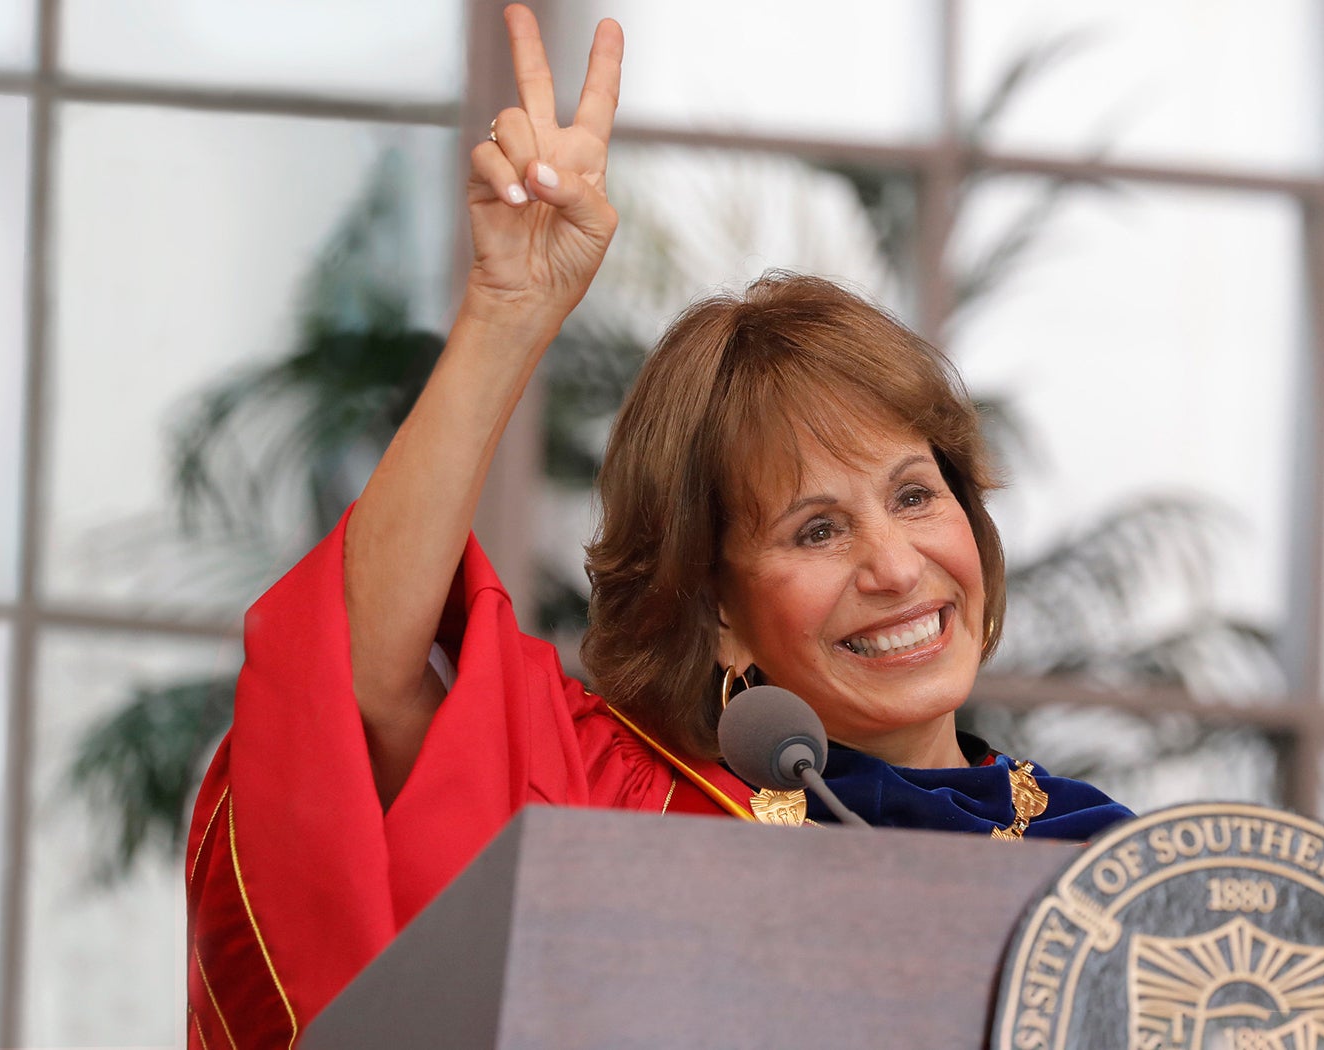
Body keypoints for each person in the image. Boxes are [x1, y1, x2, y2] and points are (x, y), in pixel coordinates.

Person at [182, 7, 1130, 1047]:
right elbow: (354, 675)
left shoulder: (1121, 878)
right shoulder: (627, 818)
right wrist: (508, 313)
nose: (897, 566)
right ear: (719, 612)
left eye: (914, 495)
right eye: (816, 531)